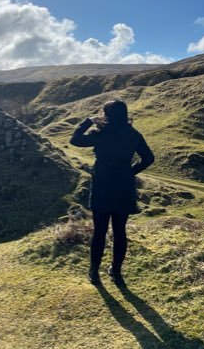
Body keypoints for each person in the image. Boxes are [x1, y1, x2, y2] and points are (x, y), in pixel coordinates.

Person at [69, 100, 154, 286]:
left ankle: (94, 272)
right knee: (119, 231)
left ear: (106, 115)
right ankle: (116, 272)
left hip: (103, 185)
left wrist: (89, 120)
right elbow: (149, 158)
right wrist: (131, 171)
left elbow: (74, 139)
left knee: (99, 231)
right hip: (124, 186)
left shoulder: (100, 133)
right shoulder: (133, 134)